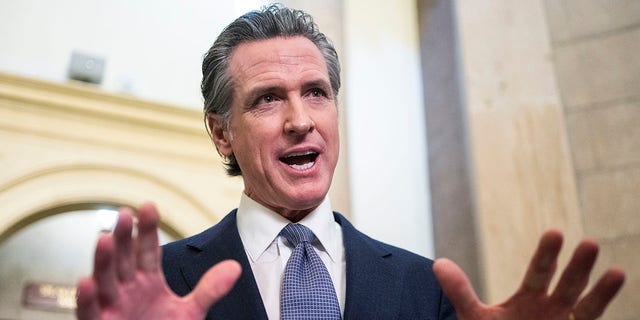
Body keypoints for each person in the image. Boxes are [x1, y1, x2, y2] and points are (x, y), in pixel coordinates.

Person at [76, 4, 625, 320]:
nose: (300, 120)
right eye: (268, 98)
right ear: (222, 133)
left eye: (316, 93)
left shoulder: (422, 286)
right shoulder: (162, 284)